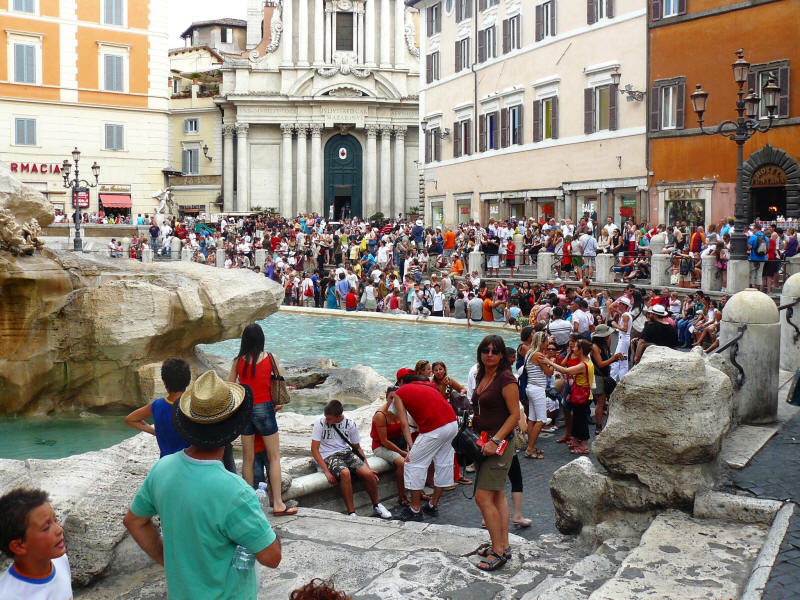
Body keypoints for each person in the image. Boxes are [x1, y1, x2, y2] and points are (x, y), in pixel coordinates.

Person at [123, 370, 281, 599]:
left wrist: (167, 560)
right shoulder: (235, 491)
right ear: (232, 427)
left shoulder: (162, 469)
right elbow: (272, 557)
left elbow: (134, 521)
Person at [228, 323, 297, 515]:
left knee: (248, 459)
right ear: (261, 339)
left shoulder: (237, 361)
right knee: (274, 457)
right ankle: (278, 504)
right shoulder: (271, 358)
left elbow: (230, 387)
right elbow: (280, 384)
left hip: (245, 409)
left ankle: (250, 504)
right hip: (264, 408)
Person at [470, 335, 520, 571]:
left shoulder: (506, 378)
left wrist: (495, 440)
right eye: (485, 350)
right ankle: (504, 545)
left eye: (495, 351)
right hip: (484, 443)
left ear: (502, 355)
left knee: (483, 497)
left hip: (498, 445)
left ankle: (498, 552)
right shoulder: (482, 374)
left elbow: (514, 415)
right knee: (497, 494)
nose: (489, 354)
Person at [391, 368, 458, 521]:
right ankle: (433, 504)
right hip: (452, 424)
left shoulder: (399, 393)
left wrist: (410, 445)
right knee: (443, 463)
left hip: (434, 429)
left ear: (400, 382)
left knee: (413, 463)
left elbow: (404, 423)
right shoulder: (429, 385)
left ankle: (415, 508)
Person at [311, 400, 392, 519]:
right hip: (328, 455)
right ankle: (351, 513)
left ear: (339, 416)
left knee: (368, 474)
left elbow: (357, 447)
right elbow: (314, 449)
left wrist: (368, 468)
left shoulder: (350, 423)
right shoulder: (320, 422)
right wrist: (326, 471)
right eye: (326, 418)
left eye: (329, 418)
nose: (327, 420)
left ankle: (377, 505)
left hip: (346, 452)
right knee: (345, 473)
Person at [0, 488, 72, 599]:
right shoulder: (7, 595)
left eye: (55, 520)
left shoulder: (60, 560)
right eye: (46, 527)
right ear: (18, 546)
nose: (59, 530)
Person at [124, 358, 191, 458]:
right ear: (188, 382)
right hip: (189, 461)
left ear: (164, 382)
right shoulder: (192, 406)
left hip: (165, 462)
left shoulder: (157, 405)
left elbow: (130, 419)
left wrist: (156, 432)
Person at [542, 338, 594, 455]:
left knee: (581, 421)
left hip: (581, 396)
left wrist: (550, 362)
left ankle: (584, 446)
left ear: (581, 350)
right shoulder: (587, 362)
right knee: (577, 418)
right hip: (580, 394)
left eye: (575, 347)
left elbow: (565, 371)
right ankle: (576, 440)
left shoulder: (583, 365)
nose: (573, 349)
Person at [370, 390, 409, 506]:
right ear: (386, 398)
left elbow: (405, 429)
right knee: (402, 462)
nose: (394, 401)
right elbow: (384, 441)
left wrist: (410, 447)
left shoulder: (401, 410)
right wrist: (402, 452)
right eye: (391, 398)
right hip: (381, 446)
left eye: (397, 398)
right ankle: (402, 496)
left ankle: (418, 491)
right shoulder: (380, 415)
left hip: (398, 442)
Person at [521, 331, 552, 459]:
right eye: (547, 341)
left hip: (530, 387)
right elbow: (549, 373)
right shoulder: (539, 355)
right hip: (537, 390)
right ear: (542, 342)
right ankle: (529, 449)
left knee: (532, 418)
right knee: (541, 420)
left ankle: (531, 446)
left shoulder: (529, 352)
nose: (548, 344)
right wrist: (552, 361)